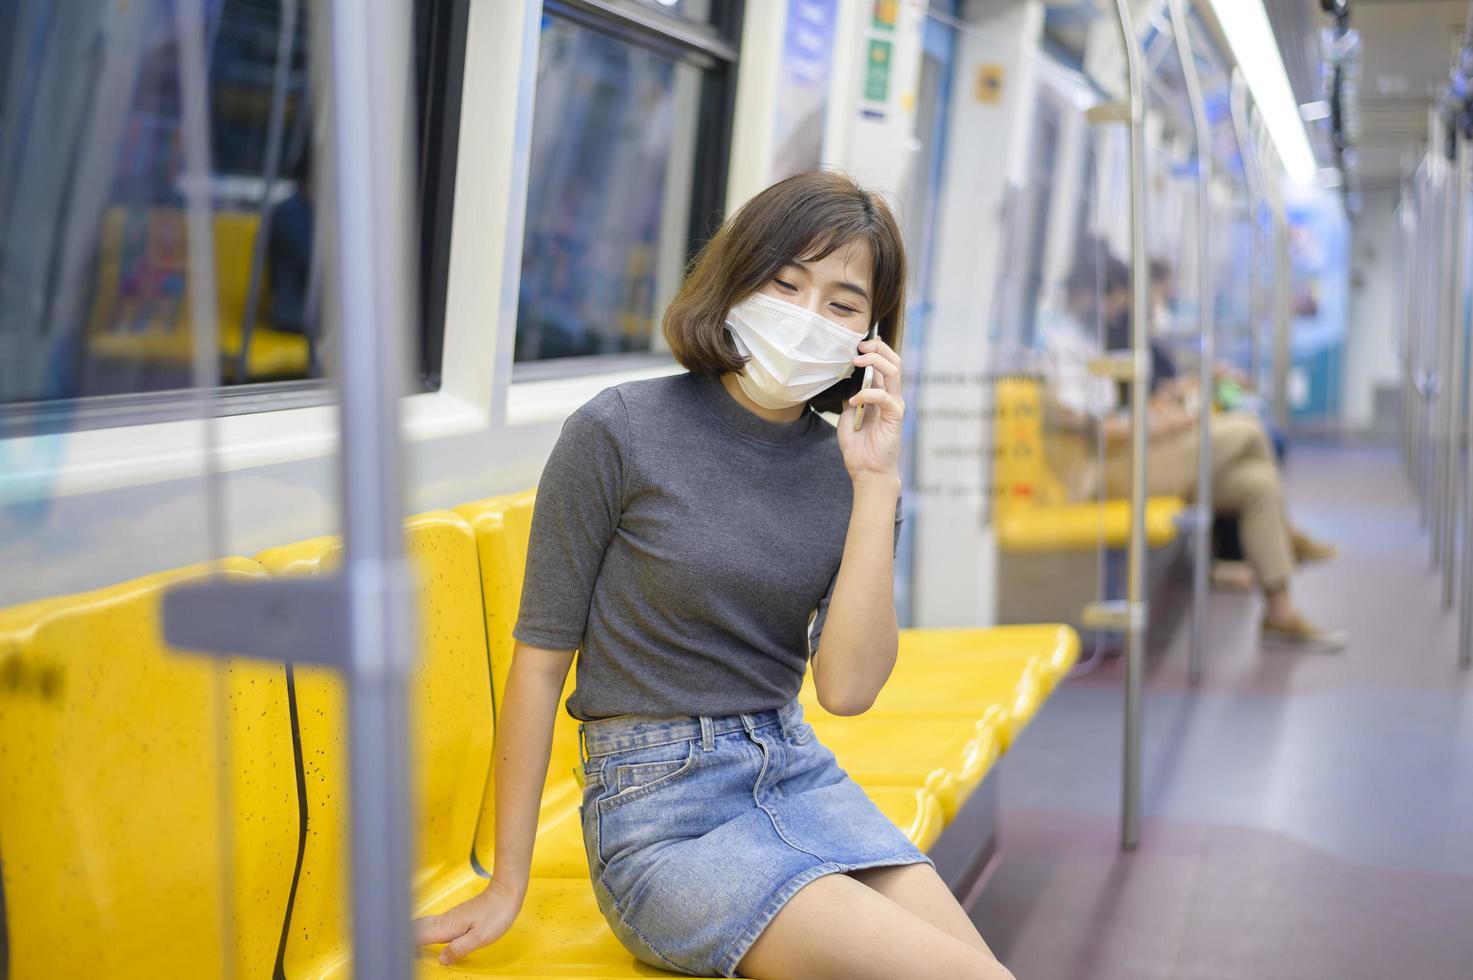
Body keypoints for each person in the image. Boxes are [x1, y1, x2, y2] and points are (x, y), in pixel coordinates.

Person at [414, 171, 1014, 979]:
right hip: (657, 810)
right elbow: (538, 661)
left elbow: (846, 691)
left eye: (841, 303)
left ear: (873, 334)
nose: (807, 318)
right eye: (784, 281)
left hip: (797, 770)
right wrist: (505, 880)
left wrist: (876, 486)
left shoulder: (853, 471)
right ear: (735, 281)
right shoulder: (617, 430)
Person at [1036, 248, 1343, 650]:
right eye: (1116, 299)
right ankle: (1290, 534)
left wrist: (1155, 418)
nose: (1118, 310)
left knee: (1258, 483)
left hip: (1128, 451)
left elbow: (1111, 411)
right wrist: (1155, 423)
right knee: (1249, 430)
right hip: (1103, 470)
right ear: (1093, 295)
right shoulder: (1057, 344)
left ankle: (1280, 612)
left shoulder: (1087, 339)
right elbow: (1087, 426)